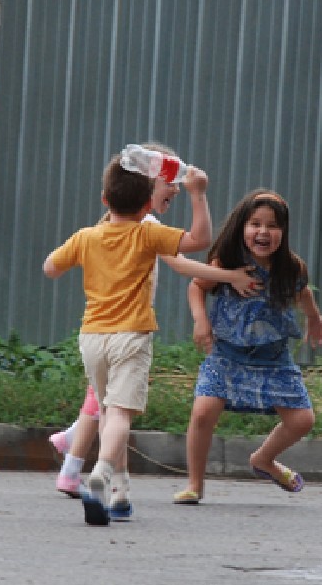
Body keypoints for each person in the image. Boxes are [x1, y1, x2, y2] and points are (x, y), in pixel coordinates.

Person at [43, 154, 254, 525]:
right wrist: (199, 194)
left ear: (105, 200)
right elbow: (199, 240)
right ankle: (101, 475)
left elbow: (51, 268)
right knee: (121, 414)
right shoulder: (146, 231)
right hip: (132, 334)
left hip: (92, 336)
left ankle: (120, 492)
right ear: (146, 203)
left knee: (108, 413)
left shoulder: (86, 236)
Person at [173, 188, 322, 505]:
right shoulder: (227, 262)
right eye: (255, 223)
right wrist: (200, 320)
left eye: (272, 226)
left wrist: (315, 319)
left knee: (303, 421)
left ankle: (263, 460)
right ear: (242, 227)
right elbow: (196, 286)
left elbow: (304, 294)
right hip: (227, 356)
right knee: (203, 413)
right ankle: (195, 484)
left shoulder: (292, 267)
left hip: (273, 359)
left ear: (283, 232)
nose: (262, 232)